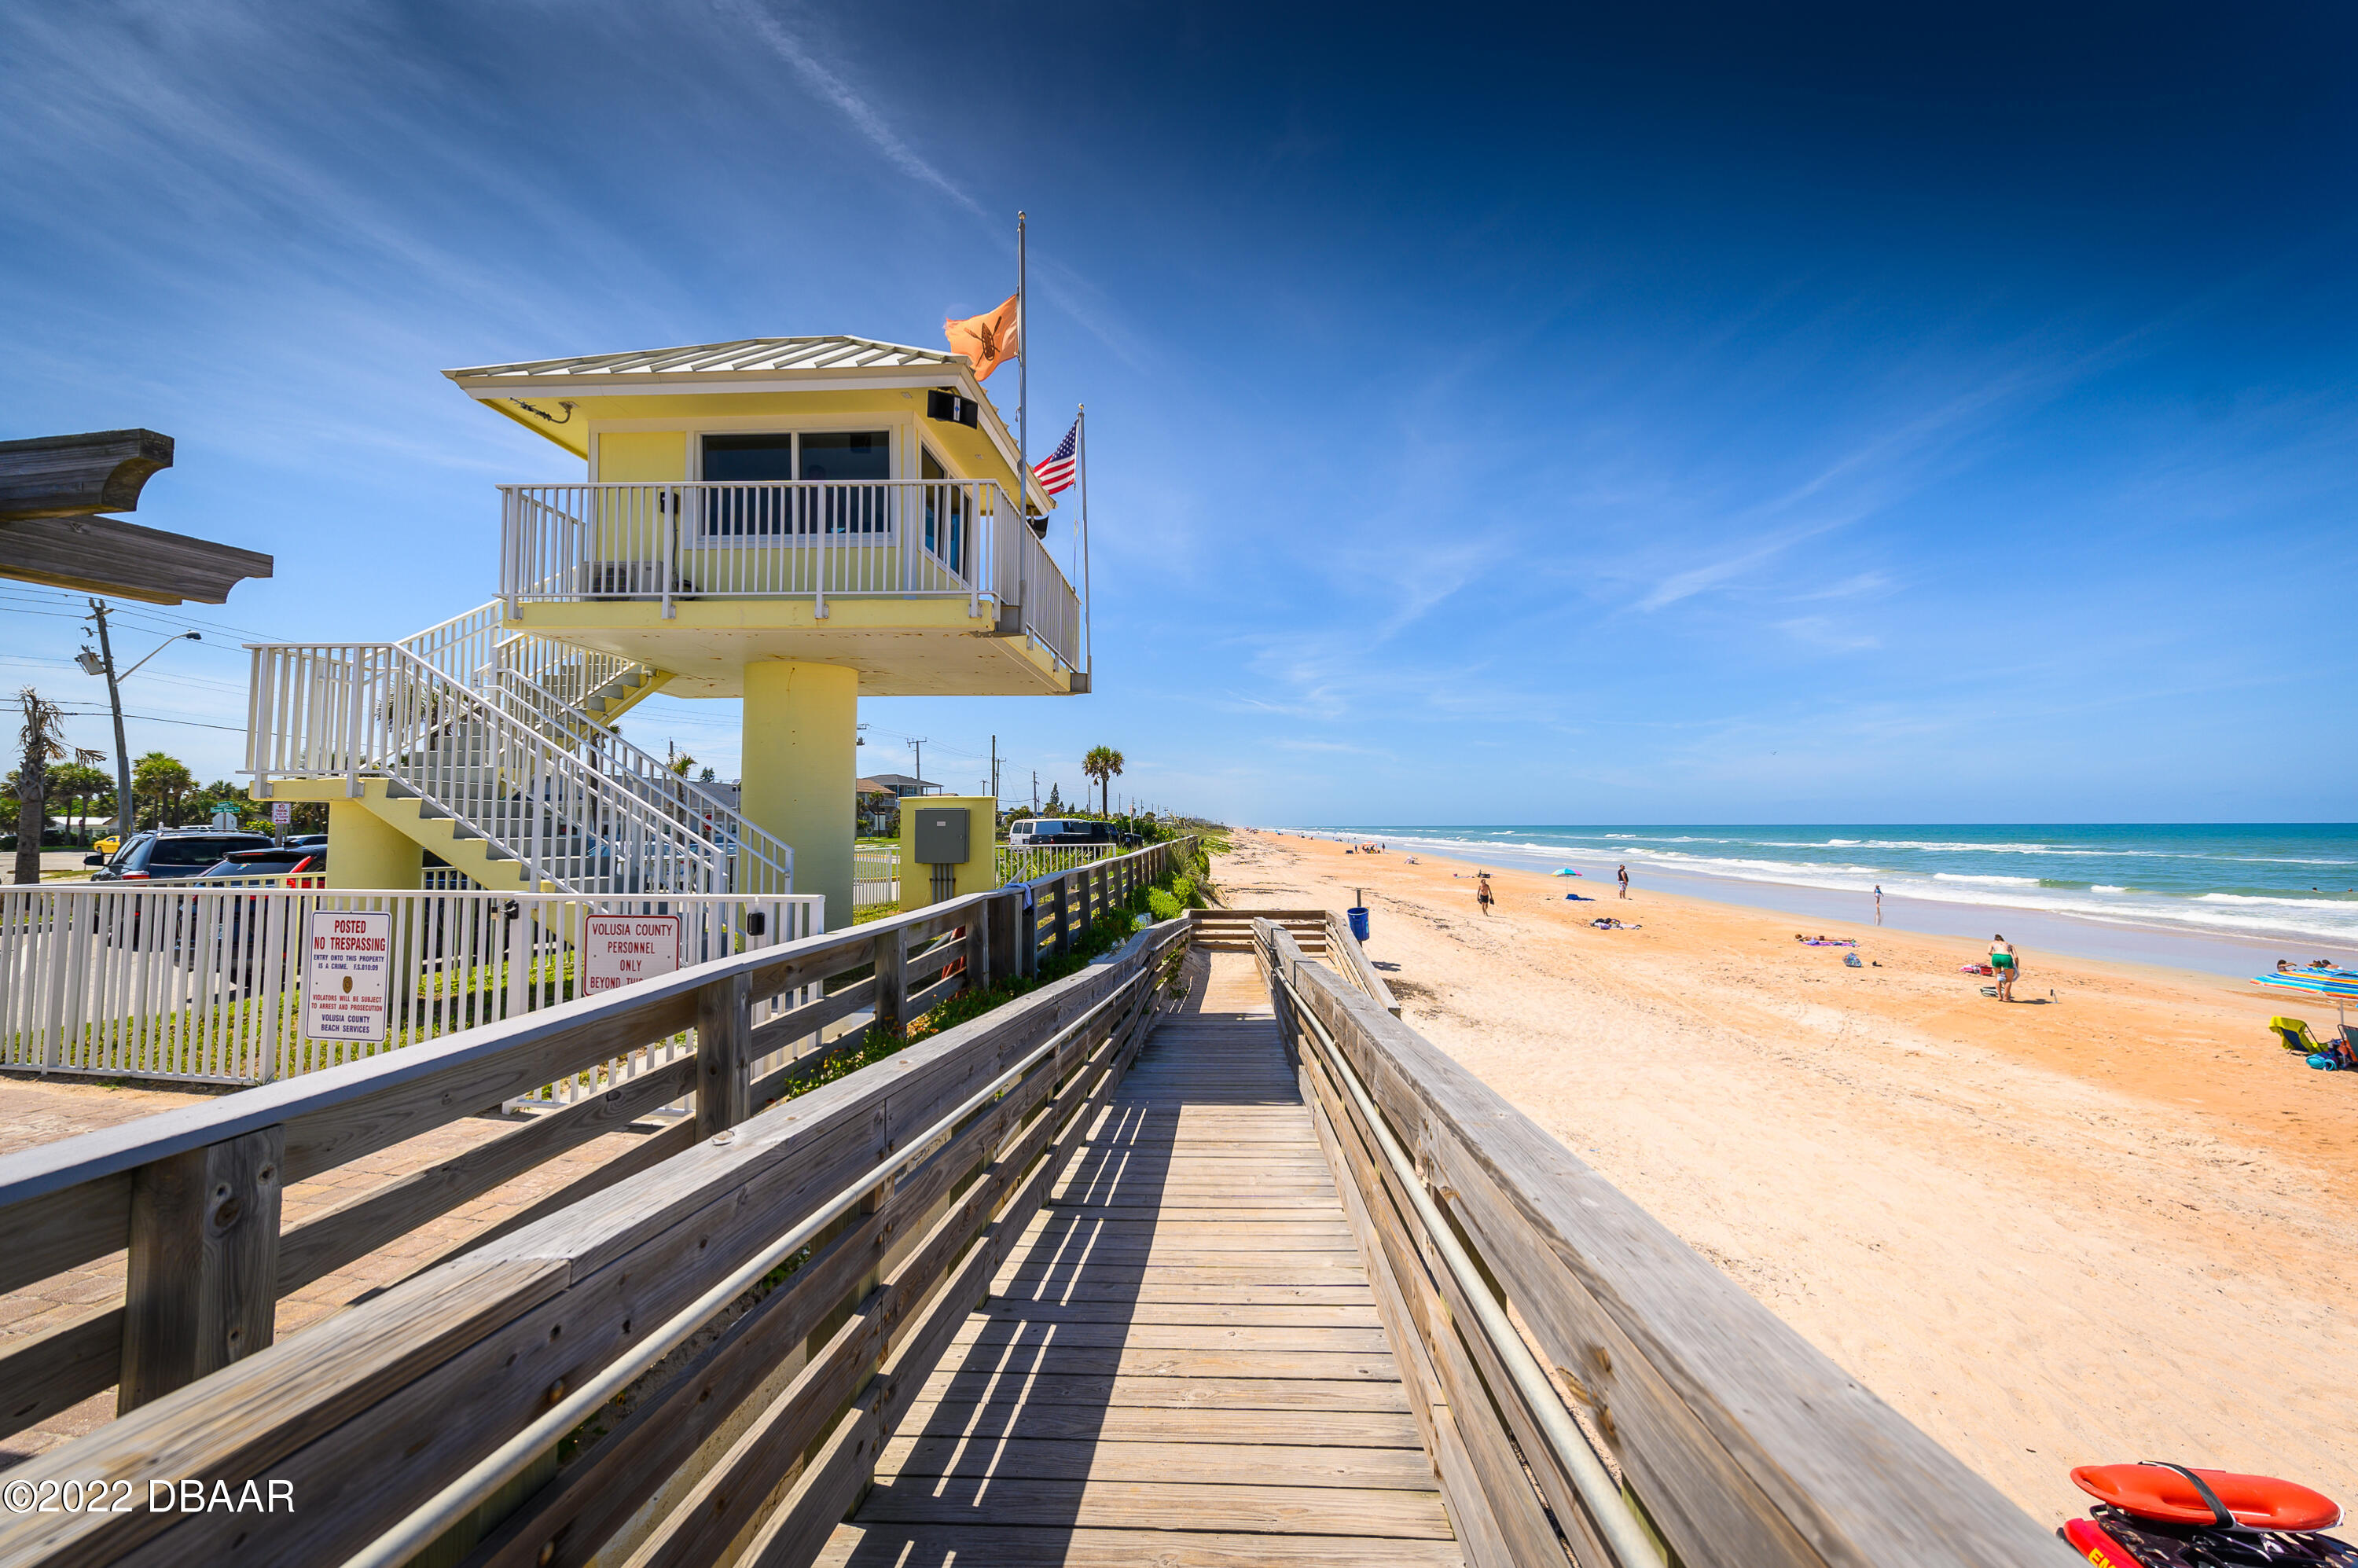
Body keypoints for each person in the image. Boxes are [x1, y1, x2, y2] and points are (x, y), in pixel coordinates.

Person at [1989, 934, 2019, 1001]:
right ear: (2003, 940)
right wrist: (2016, 967)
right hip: (2006, 957)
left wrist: (1995, 957)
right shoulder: (2009, 945)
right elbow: (2016, 957)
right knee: (2009, 980)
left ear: (1995, 940)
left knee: (1997, 977)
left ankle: (1999, 996)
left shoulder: (1992, 943)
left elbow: (1989, 952)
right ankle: (2006, 998)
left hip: (1996, 956)